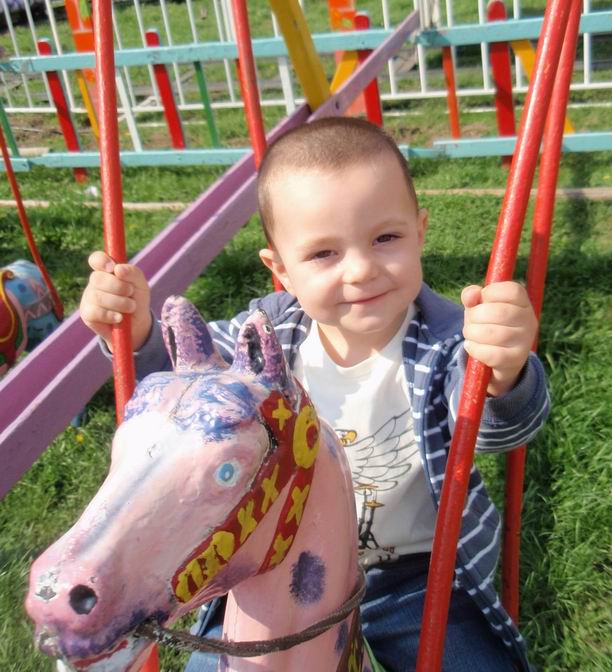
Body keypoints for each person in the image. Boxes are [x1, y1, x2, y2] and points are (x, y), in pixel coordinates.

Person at [80, 118, 549, 672]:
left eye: (386, 238)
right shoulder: (267, 339)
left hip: (413, 573)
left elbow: (499, 430)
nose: (362, 269)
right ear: (280, 269)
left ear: (420, 232)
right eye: (324, 253)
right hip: (276, 562)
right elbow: (191, 386)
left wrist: (503, 370)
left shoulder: (448, 344)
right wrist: (136, 334)